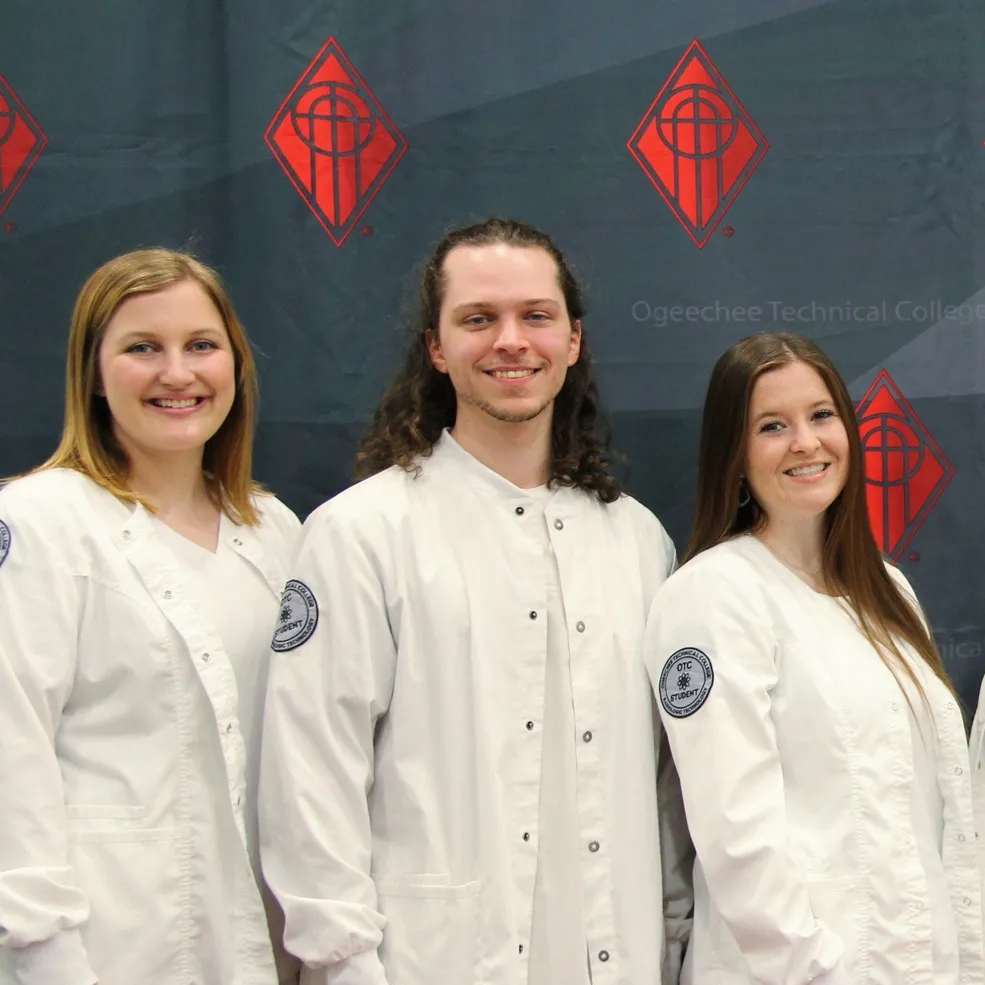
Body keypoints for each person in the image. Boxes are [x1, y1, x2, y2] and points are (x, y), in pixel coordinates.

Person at [259, 217, 688, 985]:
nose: (510, 341)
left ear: (573, 339)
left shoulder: (637, 540)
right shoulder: (360, 534)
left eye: (535, 316)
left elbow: (668, 786)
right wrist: (344, 962)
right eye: (478, 319)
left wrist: (677, 941)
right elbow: (309, 778)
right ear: (435, 348)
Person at [0, 249, 301, 985]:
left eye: (201, 345)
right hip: (106, 946)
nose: (177, 373)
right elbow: (11, 754)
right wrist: (44, 952)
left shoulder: (275, 531)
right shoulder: (39, 523)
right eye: (142, 348)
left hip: (260, 944)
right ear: (94, 375)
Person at [644, 331, 983, 984]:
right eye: (772, 425)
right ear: (734, 456)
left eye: (821, 415)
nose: (805, 442)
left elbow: (938, 824)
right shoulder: (712, 594)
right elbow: (735, 840)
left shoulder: (888, 591)